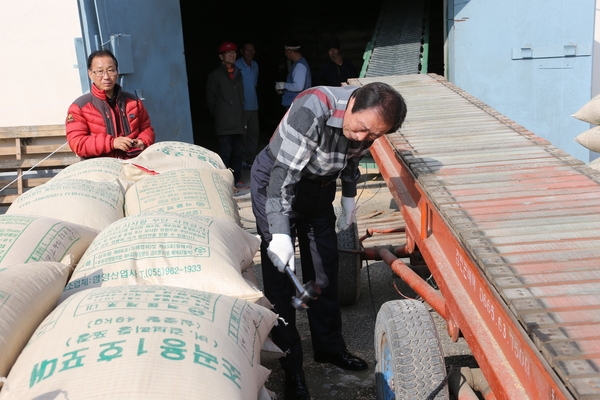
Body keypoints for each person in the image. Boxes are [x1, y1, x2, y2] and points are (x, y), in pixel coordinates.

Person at [250, 82, 407, 400]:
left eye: (374, 135)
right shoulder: (314, 108)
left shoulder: (368, 125)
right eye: (362, 128)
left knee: (324, 270)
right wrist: (279, 234)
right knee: (282, 278)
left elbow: (351, 160)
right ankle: (291, 365)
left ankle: (329, 348)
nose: (364, 138)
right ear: (352, 105)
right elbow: (284, 178)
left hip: (318, 187)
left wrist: (348, 197)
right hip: (276, 181)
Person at [66, 49, 155, 159]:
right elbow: (77, 143)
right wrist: (112, 143)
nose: (106, 76)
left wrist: (142, 141)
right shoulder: (79, 107)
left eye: (110, 70)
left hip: (132, 162)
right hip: (99, 167)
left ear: (117, 73)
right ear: (90, 74)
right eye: (100, 71)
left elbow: (147, 129)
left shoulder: (133, 102)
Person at [206, 41, 247, 189]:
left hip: (238, 120)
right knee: (225, 153)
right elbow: (210, 99)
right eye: (228, 53)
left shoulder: (238, 73)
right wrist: (219, 113)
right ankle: (225, 181)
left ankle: (237, 178)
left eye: (234, 53)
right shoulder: (215, 76)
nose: (232, 55)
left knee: (238, 152)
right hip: (224, 121)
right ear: (221, 56)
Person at [235, 42, 260, 169]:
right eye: (247, 50)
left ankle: (251, 158)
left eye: (252, 50)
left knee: (254, 133)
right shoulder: (237, 66)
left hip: (253, 106)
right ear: (242, 51)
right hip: (242, 107)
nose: (250, 53)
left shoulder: (255, 65)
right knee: (242, 135)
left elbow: (253, 84)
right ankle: (243, 159)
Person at [275, 40, 312, 110]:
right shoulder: (298, 64)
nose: (285, 54)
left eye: (286, 52)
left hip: (297, 107)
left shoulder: (300, 66)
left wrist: (284, 85)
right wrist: (284, 89)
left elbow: (298, 87)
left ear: (289, 51)